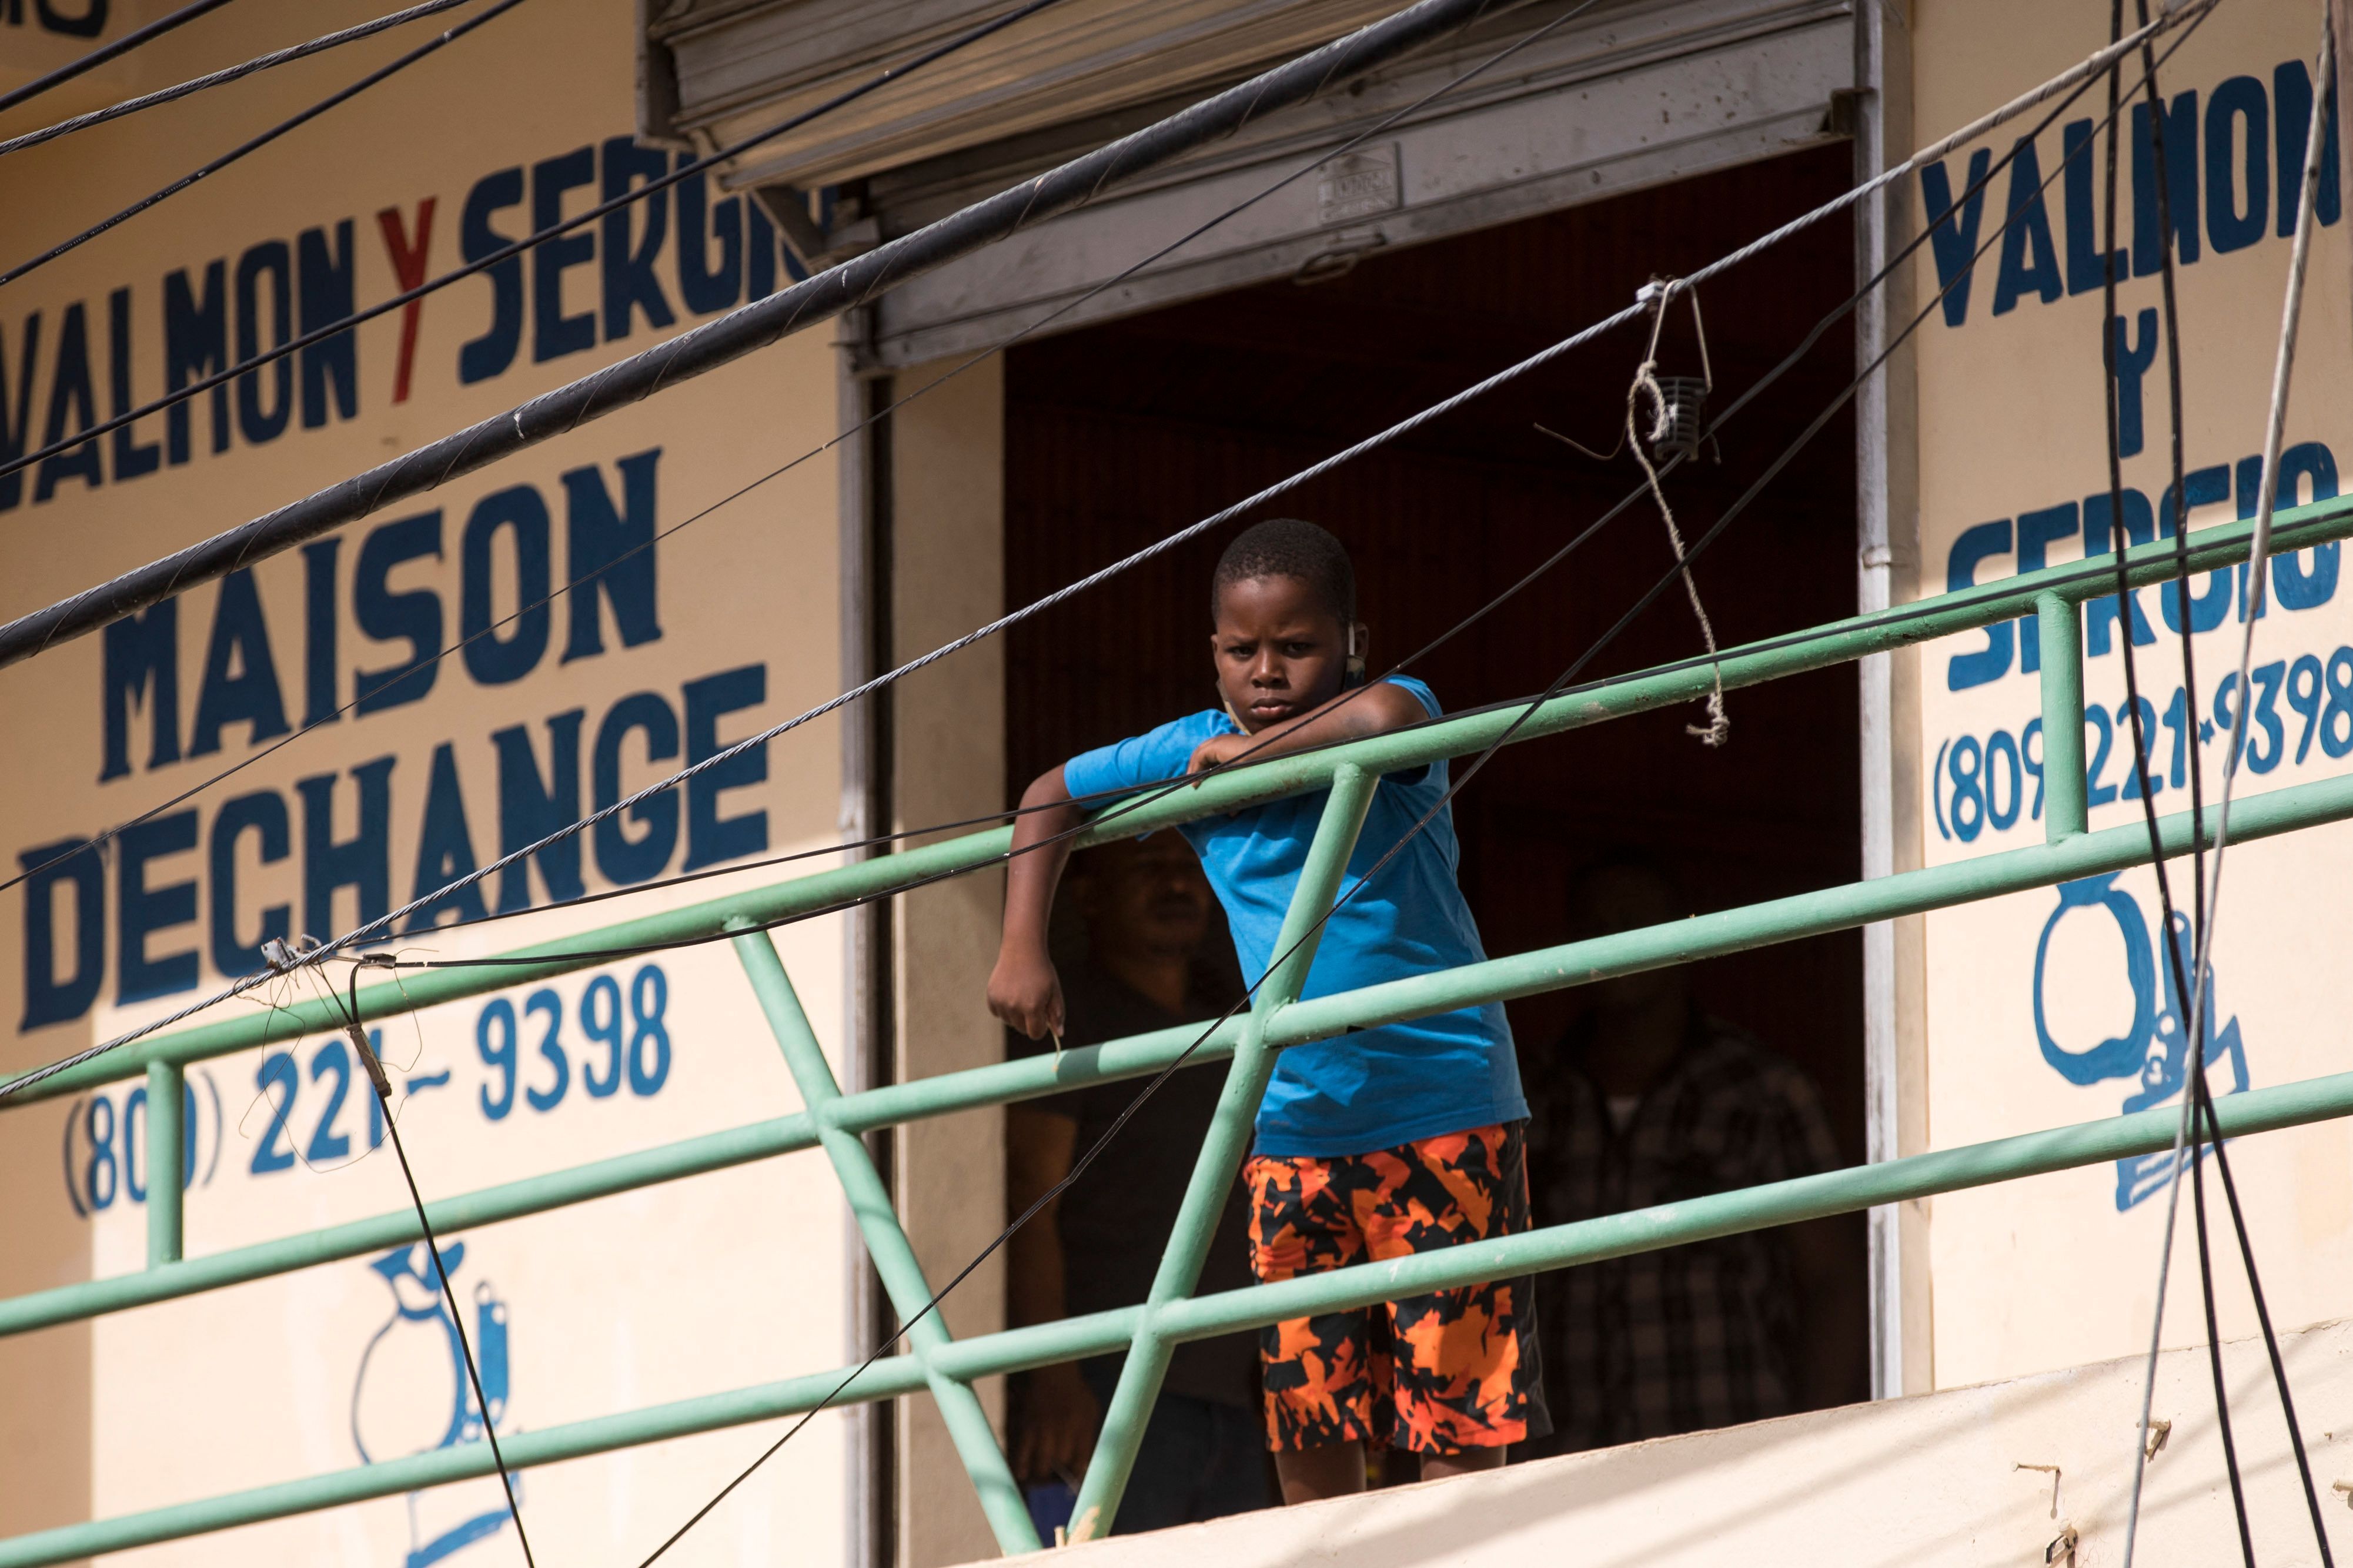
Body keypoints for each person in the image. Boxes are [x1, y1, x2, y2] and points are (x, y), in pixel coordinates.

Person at [990, 517, 1544, 1510]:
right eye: (1243, 651)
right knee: (1308, 1400)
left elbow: (1381, 722)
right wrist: (1020, 944)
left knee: (1452, 1399)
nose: (1267, 672)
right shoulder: (1185, 748)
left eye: (1297, 648)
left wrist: (1252, 759)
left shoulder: (1398, 707)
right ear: (1212, 653)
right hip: (1292, 1124)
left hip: (1444, 1105)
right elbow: (1048, 795)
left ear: (1352, 645)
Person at [1523, 854, 1867, 1456]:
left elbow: (1831, 1281)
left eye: (1633, 922)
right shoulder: (1532, 1096)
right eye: (1594, 928)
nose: (1614, 944)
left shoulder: (1761, 1090)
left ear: (1686, 932)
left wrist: (1813, 1443)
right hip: (1565, 1462)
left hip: (1729, 1444)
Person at [1004, 829, 1268, 1534]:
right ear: (1089, 896)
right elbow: (1032, 1196)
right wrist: (1053, 1378)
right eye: (1148, 869)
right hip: (1112, 1386)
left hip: (1235, 1388)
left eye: (1188, 868)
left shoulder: (1235, 1009)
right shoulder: (1066, 1016)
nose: (1176, 884)